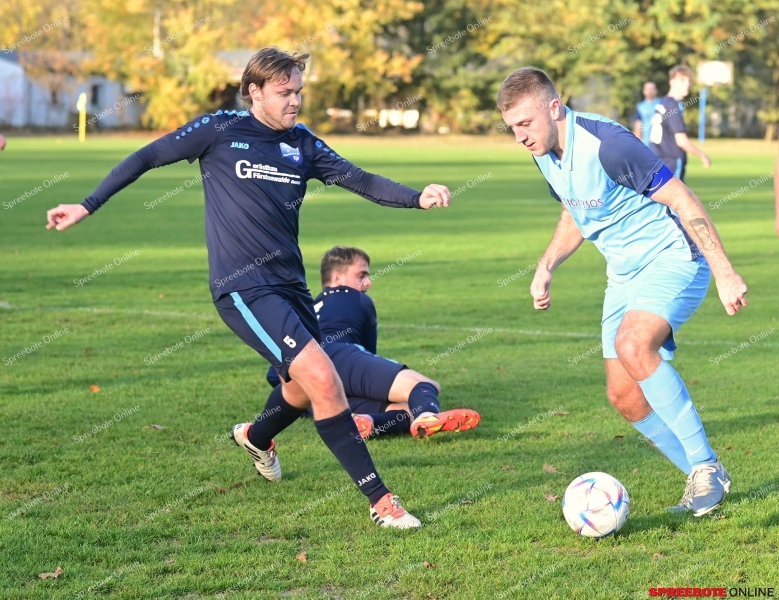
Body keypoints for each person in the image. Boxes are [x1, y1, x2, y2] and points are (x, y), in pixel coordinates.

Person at [45, 47, 454, 529]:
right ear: (254, 92)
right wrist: (88, 204)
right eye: (284, 93)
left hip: (291, 288)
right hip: (243, 286)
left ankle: (257, 437)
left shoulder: (302, 144)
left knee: (299, 391)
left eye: (299, 91)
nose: (295, 101)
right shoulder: (220, 130)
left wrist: (416, 198)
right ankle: (382, 502)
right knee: (325, 380)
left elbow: (359, 179)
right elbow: (147, 156)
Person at [497, 66, 748, 517]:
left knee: (633, 344)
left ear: (554, 108)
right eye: (512, 127)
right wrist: (546, 264)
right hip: (624, 274)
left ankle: (708, 469)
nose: (520, 136)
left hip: (675, 257)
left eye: (526, 123)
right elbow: (575, 210)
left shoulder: (608, 144)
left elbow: (683, 199)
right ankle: (703, 481)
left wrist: (725, 271)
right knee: (625, 396)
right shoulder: (543, 150)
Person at [266, 246, 481, 440]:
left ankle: (369, 422)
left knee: (405, 408)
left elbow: (273, 374)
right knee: (423, 386)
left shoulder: (309, 307)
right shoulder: (358, 299)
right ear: (337, 277)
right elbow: (367, 354)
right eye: (361, 276)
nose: (368, 283)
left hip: (307, 378)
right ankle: (428, 416)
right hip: (339, 355)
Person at [649, 66, 711, 181]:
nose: (687, 84)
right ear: (671, 82)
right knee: (682, 198)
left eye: (689, 81)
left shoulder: (664, 102)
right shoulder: (672, 105)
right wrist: (702, 155)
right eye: (682, 80)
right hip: (671, 162)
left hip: (659, 160)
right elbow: (681, 140)